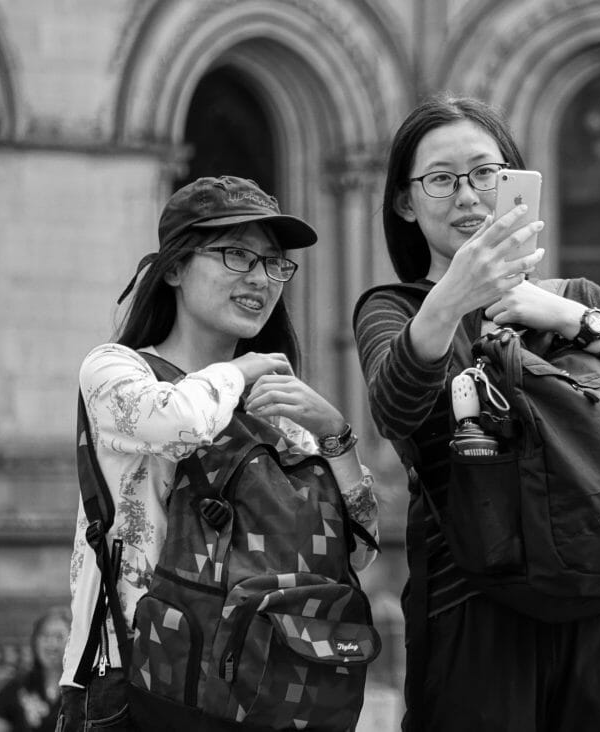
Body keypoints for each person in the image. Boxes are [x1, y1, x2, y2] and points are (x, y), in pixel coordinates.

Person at [353, 94, 600, 732]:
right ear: (406, 203)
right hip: (472, 604)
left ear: (516, 183)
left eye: (486, 173)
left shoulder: (577, 300)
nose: (468, 195)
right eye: (441, 178)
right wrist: (453, 298)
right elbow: (397, 412)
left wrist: (577, 320)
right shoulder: (396, 309)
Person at [58, 175, 379, 731]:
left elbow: (356, 553)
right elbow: (178, 424)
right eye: (236, 255)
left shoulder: (275, 408)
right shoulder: (116, 370)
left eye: (274, 263)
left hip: (246, 690)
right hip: (132, 685)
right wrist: (239, 369)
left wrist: (337, 437)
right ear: (175, 268)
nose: (261, 278)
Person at [0, 606, 70, 732]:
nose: (51, 644)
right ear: (35, 641)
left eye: (59, 637)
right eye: (45, 635)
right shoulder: (17, 686)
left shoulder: (84, 689)